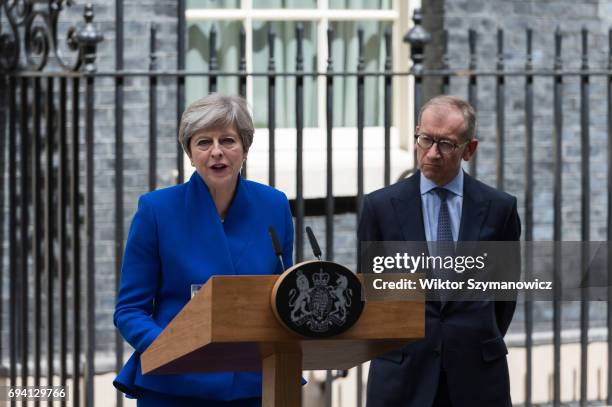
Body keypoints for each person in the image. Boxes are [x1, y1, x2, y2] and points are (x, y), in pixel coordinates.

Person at [113, 94, 294, 407]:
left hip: (252, 383)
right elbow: (129, 310)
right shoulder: (156, 210)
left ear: (245, 149)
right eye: (203, 142)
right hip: (175, 383)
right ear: (189, 152)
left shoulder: (274, 205)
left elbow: (284, 296)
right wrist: (172, 349)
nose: (217, 152)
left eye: (228, 140)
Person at [359, 95, 521, 407]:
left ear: (469, 149)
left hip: (477, 376)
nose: (432, 153)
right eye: (425, 139)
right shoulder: (380, 207)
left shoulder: (500, 208)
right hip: (402, 374)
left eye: (446, 144)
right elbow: (372, 289)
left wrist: (470, 337)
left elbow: (505, 293)